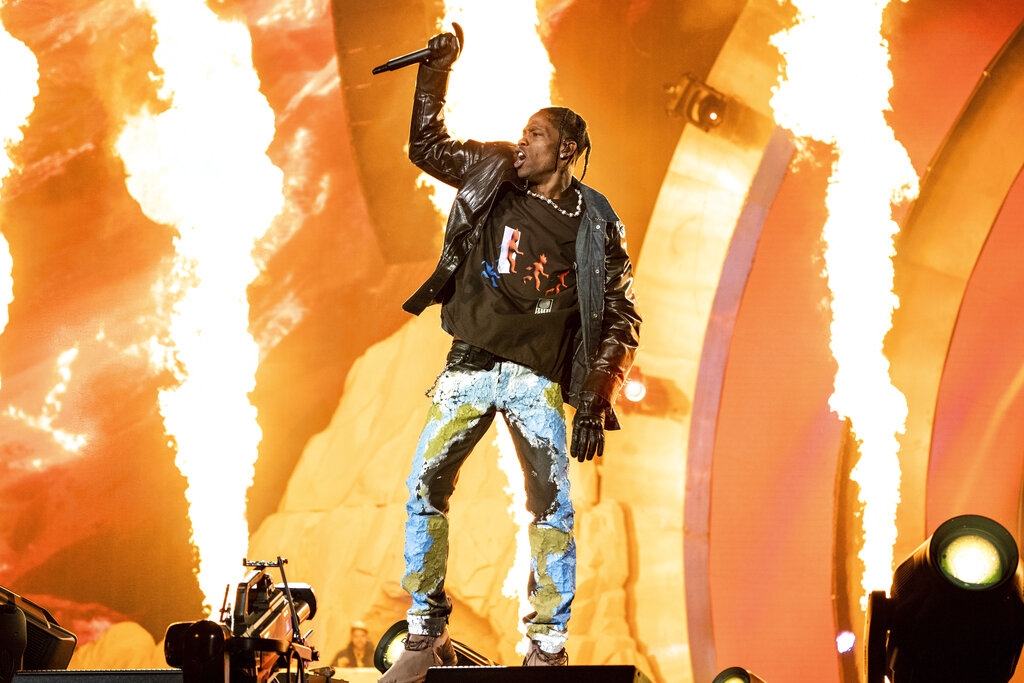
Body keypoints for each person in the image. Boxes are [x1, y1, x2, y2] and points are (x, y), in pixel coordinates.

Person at [379, 27, 641, 683]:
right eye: (521, 134)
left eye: (535, 136)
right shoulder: (495, 169)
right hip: (468, 362)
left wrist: (599, 393)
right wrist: (433, 74)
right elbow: (427, 147)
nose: (521, 143)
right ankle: (422, 635)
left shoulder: (596, 222)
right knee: (424, 486)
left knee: (550, 508)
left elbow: (622, 315)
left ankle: (546, 650)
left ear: (569, 151)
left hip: (532, 381)